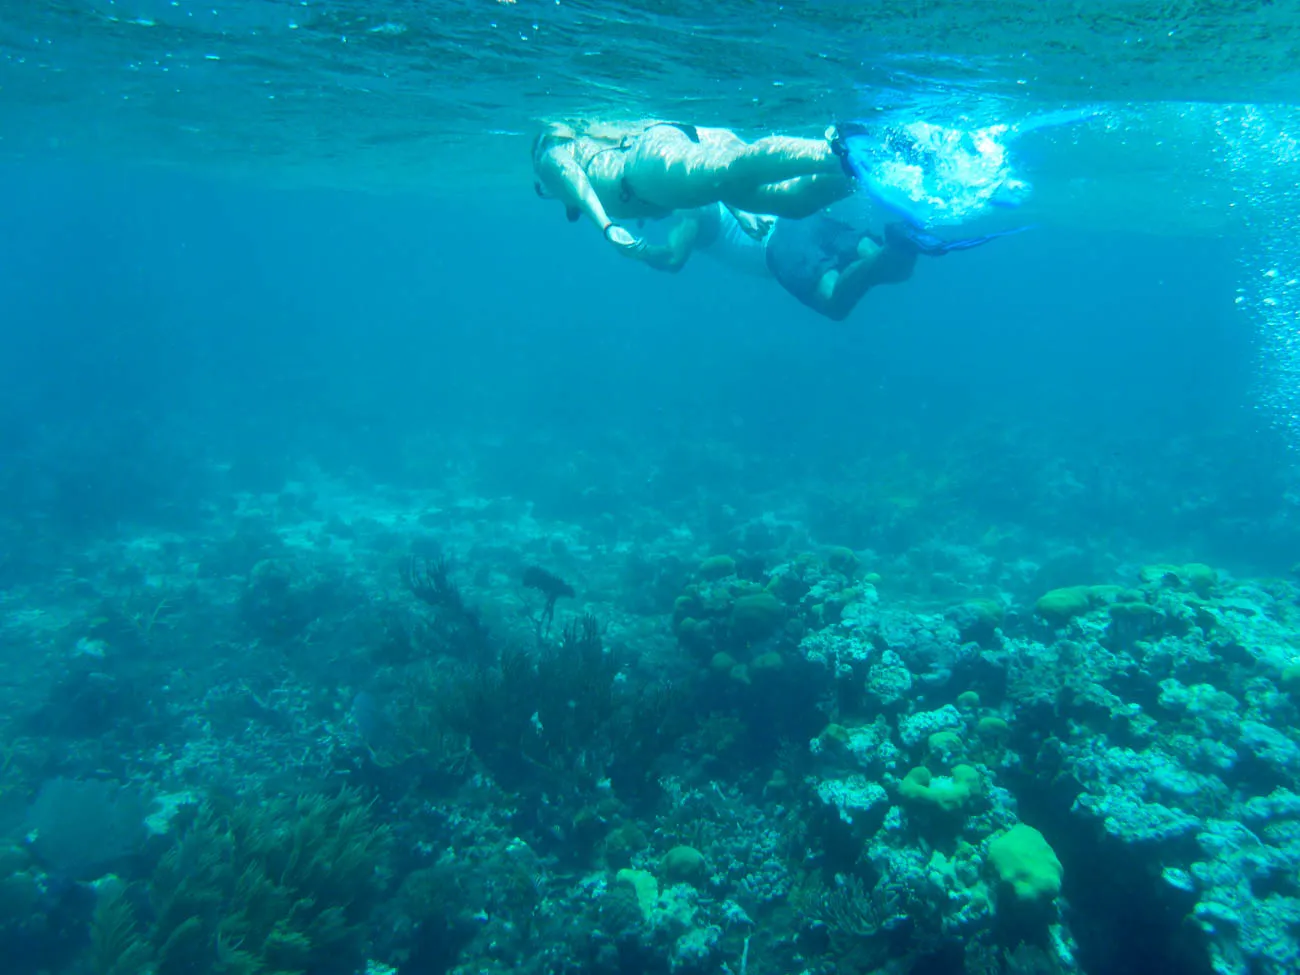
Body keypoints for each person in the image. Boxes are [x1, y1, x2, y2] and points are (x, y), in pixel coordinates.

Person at [636, 201, 1019, 322]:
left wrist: (634, 247)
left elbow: (672, 259)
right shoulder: (716, 184)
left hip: (780, 244)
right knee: (896, 270)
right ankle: (899, 242)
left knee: (834, 301)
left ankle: (893, 244)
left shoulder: (688, 206)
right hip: (807, 218)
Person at [531, 120, 854, 261]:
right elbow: (689, 187)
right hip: (656, 170)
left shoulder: (546, 157)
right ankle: (859, 172)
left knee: (731, 170)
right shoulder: (567, 178)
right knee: (787, 201)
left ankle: (835, 149)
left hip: (643, 168)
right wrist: (739, 212)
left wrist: (607, 228)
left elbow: (575, 180)